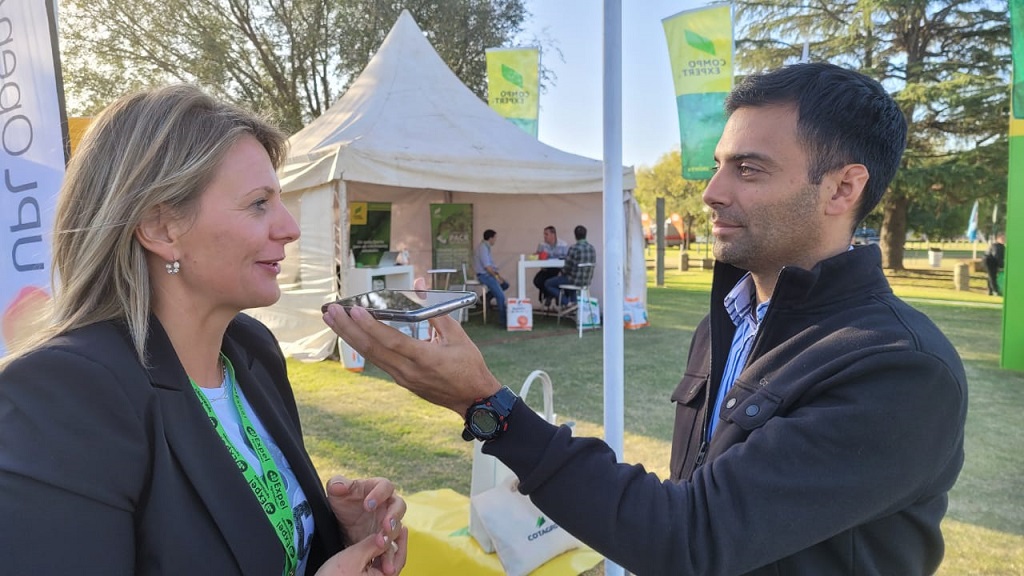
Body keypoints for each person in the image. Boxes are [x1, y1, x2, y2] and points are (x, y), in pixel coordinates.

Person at [324, 62, 969, 575]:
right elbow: (689, 500)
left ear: (842, 188)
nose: (714, 191)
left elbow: (689, 539)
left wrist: (482, 403)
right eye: (719, 164)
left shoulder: (898, 369)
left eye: (749, 169)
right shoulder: (730, 320)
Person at [0, 85, 408, 575]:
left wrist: (340, 536)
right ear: (161, 229)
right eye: (259, 203)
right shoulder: (61, 396)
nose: (289, 227)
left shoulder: (253, 350)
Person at [542, 225, 596, 306]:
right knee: (570, 281)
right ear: (585, 234)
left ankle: (567, 302)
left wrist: (561, 272)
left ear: (575, 236)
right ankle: (574, 304)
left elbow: (568, 267)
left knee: (548, 283)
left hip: (573, 279)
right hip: (586, 281)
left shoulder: (574, 248)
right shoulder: (592, 248)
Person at [473, 229, 510, 324]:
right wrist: (497, 278)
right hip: (484, 275)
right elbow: (487, 267)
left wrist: (499, 277)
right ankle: (503, 320)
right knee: (500, 296)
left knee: (505, 285)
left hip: (489, 274)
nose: (495, 240)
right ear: (490, 238)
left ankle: (487, 297)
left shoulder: (486, 247)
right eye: (495, 238)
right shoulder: (483, 248)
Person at [532, 225, 569, 300]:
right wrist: (536, 256)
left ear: (553, 235)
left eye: (546, 234)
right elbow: (538, 255)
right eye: (544, 234)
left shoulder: (563, 245)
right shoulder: (542, 245)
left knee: (551, 281)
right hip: (546, 269)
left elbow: (568, 260)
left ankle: (552, 295)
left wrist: (563, 271)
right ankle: (550, 294)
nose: (544, 236)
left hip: (559, 270)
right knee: (537, 281)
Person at [984, 231, 1006, 296]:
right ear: (998, 238)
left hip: (990, 261)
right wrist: (1001, 266)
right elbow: (997, 257)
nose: (1004, 240)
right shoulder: (997, 246)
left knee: (990, 276)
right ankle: (995, 291)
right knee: (992, 276)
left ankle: (990, 291)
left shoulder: (999, 246)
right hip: (990, 262)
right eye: (1002, 238)